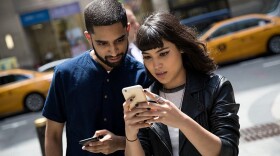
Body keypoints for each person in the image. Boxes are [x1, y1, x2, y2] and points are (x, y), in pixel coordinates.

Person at [42, 0, 151, 156]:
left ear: (127, 30)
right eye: (102, 43)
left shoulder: (143, 75)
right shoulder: (64, 74)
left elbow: (154, 137)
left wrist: (120, 143)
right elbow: (52, 135)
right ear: (89, 37)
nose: (113, 51)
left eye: (119, 40)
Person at [123, 12, 240, 156]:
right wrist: (131, 134)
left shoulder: (216, 87)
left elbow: (228, 151)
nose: (156, 65)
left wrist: (182, 121)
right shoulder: (147, 100)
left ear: (181, 48)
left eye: (163, 53)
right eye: (147, 57)